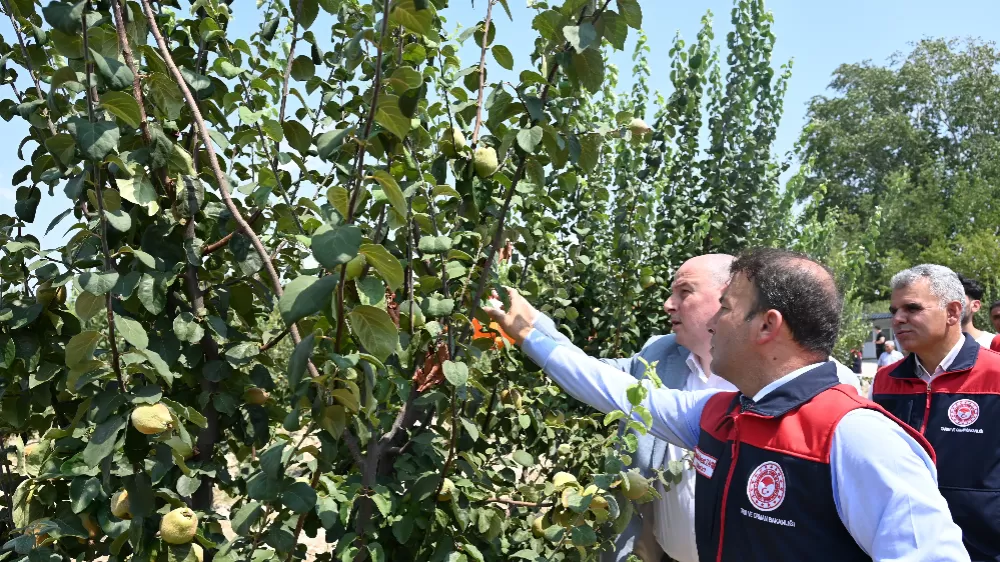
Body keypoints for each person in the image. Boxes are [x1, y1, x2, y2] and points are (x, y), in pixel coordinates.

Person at [487, 248, 968, 562]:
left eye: (728, 307)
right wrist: (532, 335)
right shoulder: (719, 414)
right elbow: (610, 389)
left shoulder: (856, 435)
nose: (714, 321)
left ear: (767, 326)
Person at [526, 254, 859, 562]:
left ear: (729, 297)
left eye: (684, 292)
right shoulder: (660, 355)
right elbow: (594, 376)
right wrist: (529, 324)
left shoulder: (823, 390)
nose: (668, 305)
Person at [870, 264, 1000, 561]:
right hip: (905, 546)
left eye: (912, 308)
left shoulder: (996, 375)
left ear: (953, 312)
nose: (898, 319)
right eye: (894, 310)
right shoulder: (884, 381)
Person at [957, 273, 999, 348]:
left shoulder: (993, 344)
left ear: (975, 306)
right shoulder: (934, 345)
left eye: (959, 300)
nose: (951, 305)